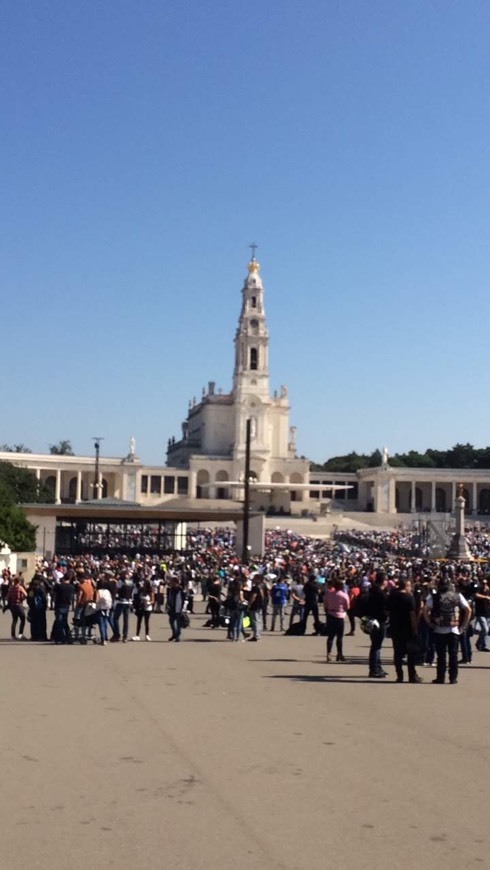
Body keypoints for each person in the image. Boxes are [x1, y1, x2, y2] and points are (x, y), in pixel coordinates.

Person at [423, 577, 471, 685]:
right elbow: (468, 610)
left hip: (439, 629)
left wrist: (429, 623)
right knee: (453, 655)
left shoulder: (434, 596)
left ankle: (440, 678)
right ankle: (453, 678)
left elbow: (425, 609)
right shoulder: (457, 595)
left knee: (441, 655)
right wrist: (463, 625)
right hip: (454, 629)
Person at [386, 578, 422, 683]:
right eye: (410, 586)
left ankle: (399, 676)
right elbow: (412, 614)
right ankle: (412, 675)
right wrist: (415, 628)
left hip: (395, 627)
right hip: (408, 628)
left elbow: (387, 611)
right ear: (406, 586)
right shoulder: (409, 597)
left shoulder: (392, 596)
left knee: (397, 653)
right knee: (411, 653)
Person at [364, 572, 389, 678]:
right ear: (383, 581)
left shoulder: (372, 590)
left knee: (375, 644)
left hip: (371, 619)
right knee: (376, 646)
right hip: (379, 620)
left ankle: (377, 667)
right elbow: (386, 608)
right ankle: (374, 669)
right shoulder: (381, 594)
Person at [324, 578, 350, 662]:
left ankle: (328, 653)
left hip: (331, 615)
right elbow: (347, 607)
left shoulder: (329, 594)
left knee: (330, 636)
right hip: (340, 615)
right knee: (339, 637)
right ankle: (339, 653)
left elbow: (326, 604)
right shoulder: (344, 595)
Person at [52, 573, 75, 645]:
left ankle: (60, 637)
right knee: (64, 621)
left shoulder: (59, 586)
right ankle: (68, 636)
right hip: (66, 605)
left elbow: (53, 591)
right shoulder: (71, 587)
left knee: (59, 622)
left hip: (59, 605)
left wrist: (57, 583)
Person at [112, 571, 133, 642]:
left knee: (115, 618)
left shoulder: (120, 582)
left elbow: (116, 591)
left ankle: (117, 634)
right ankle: (125, 636)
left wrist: (114, 598)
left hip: (121, 601)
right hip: (128, 601)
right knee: (126, 620)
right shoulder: (130, 582)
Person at [27, 575, 48, 641]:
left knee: (33, 622)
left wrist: (30, 606)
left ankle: (34, 636)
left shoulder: (31, 589)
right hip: (41, 608)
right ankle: (42, 636)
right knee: (42, 622)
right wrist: (45, 606)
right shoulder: (41, 588)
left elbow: (29, 598)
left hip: (33, 607)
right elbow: (44, 598)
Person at [7, 575, 27, 640]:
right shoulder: (20, 588)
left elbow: (8, 597)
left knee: (14, 620)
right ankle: (20, 634)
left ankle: (13, 635)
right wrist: (22, 599)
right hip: (18, 605)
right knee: (23, 619)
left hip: (13, 606)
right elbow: (26, 594)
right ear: (19, 582)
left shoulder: (11, 589)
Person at [167, 575, 184, 642]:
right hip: (172, 607)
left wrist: (183, 608)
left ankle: (177, 636)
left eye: (172, 582)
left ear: (175, 582)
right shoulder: (171, 589)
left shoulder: (180, 590)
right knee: (171, 621)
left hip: (178, 608)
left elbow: (183, 599)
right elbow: (169, 598)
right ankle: (174, 634)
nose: (170, 583)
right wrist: (168, 605)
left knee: (178, 623)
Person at [474, 579, 490, 652]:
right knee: (485, 629)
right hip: (480, 612)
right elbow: (476, 595)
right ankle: (479, 643)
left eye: (486, 583)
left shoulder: (488, 590)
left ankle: (484, 645)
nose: (484, 585)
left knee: (486, 630)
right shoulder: (478, 589)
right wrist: (485, 597)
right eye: (483, 583)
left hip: (487, 612)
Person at [96, 579, 113, 646]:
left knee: (101, 624)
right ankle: (105, 636)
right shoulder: (107, 591)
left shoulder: (98, 591)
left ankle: (103, 639)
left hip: (100, 608)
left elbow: (97, 600)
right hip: (107, 608)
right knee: (105, 622)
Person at [248, 574, 264, 641]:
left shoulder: (255, 588)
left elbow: (253, 597)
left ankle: (256, 635)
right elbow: (263, 596)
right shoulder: (261, 587)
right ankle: (258, 634)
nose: (253, 579)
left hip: (254, 606)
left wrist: (249, 604)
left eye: (255, 578)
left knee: (255, 621)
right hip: (259, 605)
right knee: (258, 621)